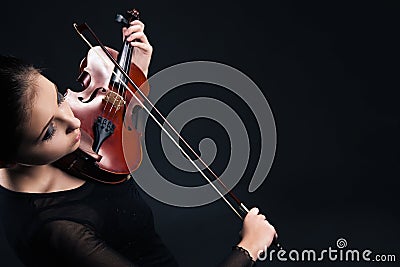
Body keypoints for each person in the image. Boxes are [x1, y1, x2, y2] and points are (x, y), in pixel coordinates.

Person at [0, 19, 277, 267]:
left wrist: (133, 76)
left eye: (59, 97)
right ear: (8, 160)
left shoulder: (56, 149)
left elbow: (112, 130)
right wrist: (249, 247)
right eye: (49, 132)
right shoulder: (59, 231)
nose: (73, 121)